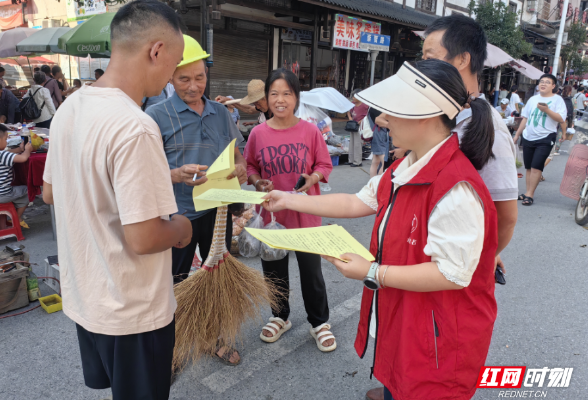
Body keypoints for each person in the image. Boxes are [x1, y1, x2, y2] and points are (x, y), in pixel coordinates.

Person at [263, 59, 498, 400]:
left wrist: (373, 271)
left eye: (391, 111)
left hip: (439, 336)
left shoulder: (455, 188)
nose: (382, 120)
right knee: (398, 381)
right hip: (409, 319)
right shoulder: (408, 163)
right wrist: (288, 200)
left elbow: (451, 274)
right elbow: (357, 202)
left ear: (427, 114)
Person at [42, 1, 192, 399]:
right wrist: (182, 228)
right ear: (156, 51)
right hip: (133, 312)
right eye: (174, 66)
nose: (173, 80)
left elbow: (51, 192)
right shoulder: (136, 126)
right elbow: (143, 238)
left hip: (87, 299)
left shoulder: (70, 108)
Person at [145, 34, 247, 366]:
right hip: (178, 217)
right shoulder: (156, 115)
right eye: (184, 78)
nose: (193, 86)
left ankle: (216, 337)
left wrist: (241, 170)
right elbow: (141, 173)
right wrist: (175, 174)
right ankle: (171, 344)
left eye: (200, 77)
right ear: (170, 78)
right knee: (175, 281)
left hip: (218, 210)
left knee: (219, 275)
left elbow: (237, 156)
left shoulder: (220, 113)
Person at [245, 68, 336, 352]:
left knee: (312, 273)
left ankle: (319, 322)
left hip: (305, 214)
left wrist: (313, 178)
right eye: (274, 94)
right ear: (266, 98)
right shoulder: (258, 133)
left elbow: (324, 165)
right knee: (273, 270)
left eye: (287, 93)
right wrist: (256, 180)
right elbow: (250, 166)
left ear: (296, 97)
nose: (280, 99)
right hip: (273, 216)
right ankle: (279, 316)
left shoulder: (310, 131)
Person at [421, 15, 517, 285]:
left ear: (462, 60)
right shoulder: (443, 116)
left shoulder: (489, 131)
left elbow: (506, 217)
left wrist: (482, 256)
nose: (423, 67)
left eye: (430, 57)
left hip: (451, 275)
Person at [513, 74, 567, 206]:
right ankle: (527, 192)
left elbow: (561, 118)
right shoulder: (532, 99)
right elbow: (525, 118)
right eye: (541, 81)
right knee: (529, 167)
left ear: (553, 86)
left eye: (547, 82)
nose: (543, 84)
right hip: (528, 136)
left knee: (536, 167)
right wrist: (517, 135)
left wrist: (547, 110)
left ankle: (530, 195)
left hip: (546, 137)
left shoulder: (557, 100)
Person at [0, 125, 33, 229]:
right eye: (5, 139)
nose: (6, 142)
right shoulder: (2, 155)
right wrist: (27, 150)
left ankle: (3, 225)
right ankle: (17, 217)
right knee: (29, 191)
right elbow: (23, 158)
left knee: (20, 192)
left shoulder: (3, 154)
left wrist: (19, 149)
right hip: (3, 194)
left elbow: (7, 153)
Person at [347, 88, 369, 167]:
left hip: (360, 126)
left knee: (357, 144)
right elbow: (348, 111)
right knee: (351, 143)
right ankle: (351, 160)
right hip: (353, 125)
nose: (353, 98)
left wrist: (361, 121)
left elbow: (368, 115)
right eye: (353, 97)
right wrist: (350, 118)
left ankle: (357, 162)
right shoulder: (352, 103)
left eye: (354, 97)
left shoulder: (365, 105)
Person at [369, 107, 389, 177]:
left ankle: (372, 183)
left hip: (375, 134)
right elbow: (378, 121)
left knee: (375, 161)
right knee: (384, 163)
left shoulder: (372, 108)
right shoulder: (378, 108)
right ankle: (379, 183)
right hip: (380, 135)